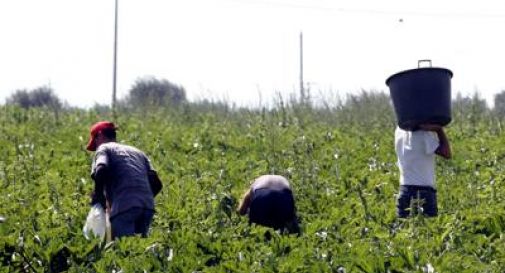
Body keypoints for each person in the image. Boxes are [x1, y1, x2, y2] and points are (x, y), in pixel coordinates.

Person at [86, 121, 162, 239]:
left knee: (124, 250)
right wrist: (141, 198)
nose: (96, 147)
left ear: (100, 135)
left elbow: (101, 169)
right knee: (140, 249)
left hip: (124, 207)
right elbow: (157, 184)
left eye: (95, 141)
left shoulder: (104, 148)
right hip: (147, 206)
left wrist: (98, 196)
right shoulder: (137, 152)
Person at [395, 124, 451, 218]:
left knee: (404, 230)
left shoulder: (399, 130)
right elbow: (446, 153)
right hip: (423, 193)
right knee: (428, 231)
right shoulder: (424, 133)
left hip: (404, 191)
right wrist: (439, 130)